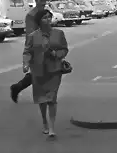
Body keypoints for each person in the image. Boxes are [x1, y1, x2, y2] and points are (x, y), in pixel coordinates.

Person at [23, 9, 68, 138]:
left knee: (52, 98)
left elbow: (64, 49)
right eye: (44, 18)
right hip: (38, 71)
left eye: (49, 17)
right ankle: (44, 122)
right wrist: (25, 64)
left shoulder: (59, 33)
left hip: (54, 70)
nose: (48, 20)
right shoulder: (32, 36)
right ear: (39, 21)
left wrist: (57, 54)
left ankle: (52, 127)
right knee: (41, 99)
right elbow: (27, 52)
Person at [10, 0, 49, 103]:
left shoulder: (45, 12)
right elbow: (31, 34)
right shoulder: (32, 15)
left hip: (46, 44)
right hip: (36, 46)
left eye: (45, 1)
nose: (43, 3)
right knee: (40, 72)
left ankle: (18, 87)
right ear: (36, 1)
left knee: (43, 71)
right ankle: (42, 94)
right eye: (41, 1)